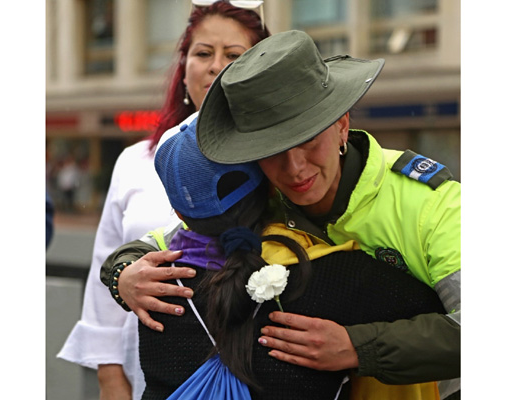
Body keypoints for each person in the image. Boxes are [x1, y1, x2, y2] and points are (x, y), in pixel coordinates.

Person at [102, 30, 461, 399]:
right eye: (272, 150)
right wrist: (122, 274)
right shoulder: (264, 194)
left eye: (308, 141)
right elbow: (174, 237)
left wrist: (357, 346)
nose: (294, 170)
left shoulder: (433, 204)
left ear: (342, 124)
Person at [56, 2, 270, 399]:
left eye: (234, 56)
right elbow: (104, 267)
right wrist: (109, 374)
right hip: (145, 366)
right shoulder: (136, 160)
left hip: (252, 371)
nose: (214, 66)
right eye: (203, 53)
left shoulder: (275, 162)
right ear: (184, 64)